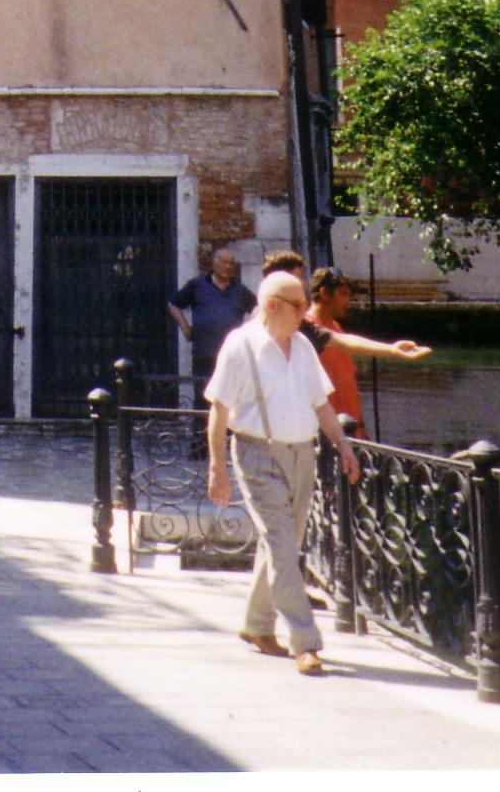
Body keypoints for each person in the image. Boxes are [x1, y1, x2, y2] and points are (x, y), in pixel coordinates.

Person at [205, 270, 359, 676]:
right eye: (298, 304)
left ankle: (256, 626)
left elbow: (322, 405)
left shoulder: (305, 347)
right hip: (256, 454)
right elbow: (218, 411)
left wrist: (343, 446)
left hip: (301, 455)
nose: (307, 311)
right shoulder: (240, 347)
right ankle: (305, 642)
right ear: (272, 306)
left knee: (281, 545)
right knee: (281, 544)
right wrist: (218, 467)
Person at [261, 249, 431, 375]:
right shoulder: (248, 337)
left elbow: (344, 341)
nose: (303, 284)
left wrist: (392, 350)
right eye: (298, 278)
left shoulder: (305, 328)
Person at [168, 246, 255, 397]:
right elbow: (173, 304)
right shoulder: (197, 285)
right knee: (204, 400)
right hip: (205, 355)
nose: (227, 267)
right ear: (214, 263)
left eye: (231, 264)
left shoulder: (239, 289)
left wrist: (247, 330)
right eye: (224, 262)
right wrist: (185, 327)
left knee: (231, 398)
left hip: (232, 356)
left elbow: (258, 308)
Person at [308, 266, 366, 435]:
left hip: (350, 429)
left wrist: (360, 427)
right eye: (343, 294)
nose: (348, 302)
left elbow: (348, 382)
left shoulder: (336, 328)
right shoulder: (307, 333)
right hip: (325, 434)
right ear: (324, 293)